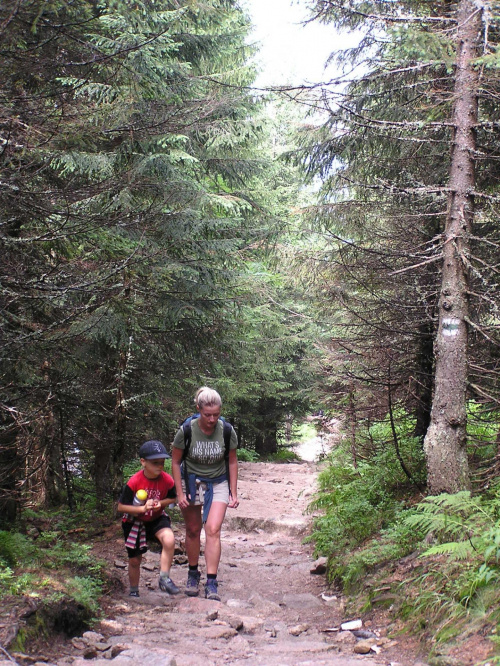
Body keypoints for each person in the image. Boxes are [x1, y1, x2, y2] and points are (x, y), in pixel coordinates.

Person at [171, 387, 239, 601]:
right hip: (191, 481)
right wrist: (180, 493)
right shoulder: (187, 430)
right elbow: (175, 461)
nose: (211, 419)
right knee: (192, 530)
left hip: (218, 481)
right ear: (198, 409)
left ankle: (211, 581)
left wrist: (233, 492)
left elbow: (232, 460)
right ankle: (193, 574)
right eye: (207, 414)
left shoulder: (227, 431)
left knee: (213, 529)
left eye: (216, 415)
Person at [117, 440, 180, 598]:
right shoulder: (134, 482)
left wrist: (161, 503)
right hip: (134, 521)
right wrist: (142, 509)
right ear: (143, 462)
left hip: (157, 518)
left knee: (169, 539)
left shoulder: (167, 480)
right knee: (135, 559)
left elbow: (173, 498)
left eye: (162, 462)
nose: (160, 466)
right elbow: (121, 507)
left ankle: (164, 578)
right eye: (155, 463)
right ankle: (134, 590)